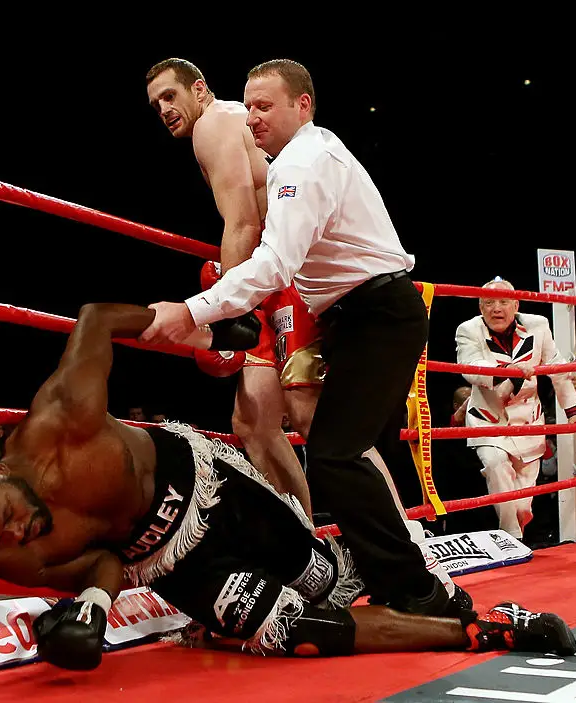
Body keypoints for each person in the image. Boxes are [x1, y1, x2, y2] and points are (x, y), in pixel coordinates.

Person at [0, 302, 576, 672]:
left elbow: (97, 318)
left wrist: (204, 322)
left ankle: (437, 603)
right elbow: (99, 557)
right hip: (170, 560)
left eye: (10, 515)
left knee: (326, 582)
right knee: (298, 632)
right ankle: (484, 632)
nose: (18, 534)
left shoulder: (59, 422)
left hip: (211, 483)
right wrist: (94, 608)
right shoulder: (3, 552)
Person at [140, 58, 464, 618]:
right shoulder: (304, 151)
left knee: (333, 447)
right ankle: (368, 570)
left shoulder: (239, 136)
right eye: (253, 107)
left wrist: (203, 313)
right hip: (343, 308)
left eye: (264, 107)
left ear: (302, 105)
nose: (253, 119)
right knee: (297, 435)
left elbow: (252, 235)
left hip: (357, 307)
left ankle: (414, 582)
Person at [145, 58, 313, 518]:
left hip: (288, 276)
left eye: (170, 96)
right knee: (254, 422)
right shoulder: (234, 122)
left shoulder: (211, 127)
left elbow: (242, 222)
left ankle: (402, 539)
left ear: (199, 89)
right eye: (156, 104)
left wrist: (222, 311)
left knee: (312, 419)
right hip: (277, 280)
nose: (164, 109)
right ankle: (312, 549)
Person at [454, 279, 576, 539]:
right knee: (495, 464)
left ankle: (513, 530)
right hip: (488, 418)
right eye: (489, 303)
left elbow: (557, 369)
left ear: (516, 304)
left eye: (504, 302)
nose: (497, 309)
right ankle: (511, 537)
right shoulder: (468, 329)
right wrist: (507, 371)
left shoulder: (538, 325)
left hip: (528, 421)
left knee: (521, 505)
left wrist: (575, 413)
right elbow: (469, 366)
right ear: (480, 306)